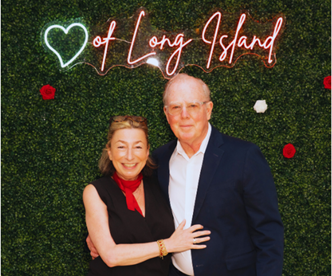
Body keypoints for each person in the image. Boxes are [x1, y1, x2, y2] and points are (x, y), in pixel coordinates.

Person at [152, 74, 283, 276]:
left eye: (193, 106)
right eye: (176, 107)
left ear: (208, 109)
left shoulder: (244, 156)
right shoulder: (159, 160)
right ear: (166, 114)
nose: (184, 115)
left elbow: (268, 232)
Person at [83, 115, 210, 275]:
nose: (129, 156)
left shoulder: (160, 183)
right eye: (121, 147)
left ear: (147, 151)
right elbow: (110, 256)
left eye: (137, 147)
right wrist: (168, 245)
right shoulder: (95, 191)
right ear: (109, 152)